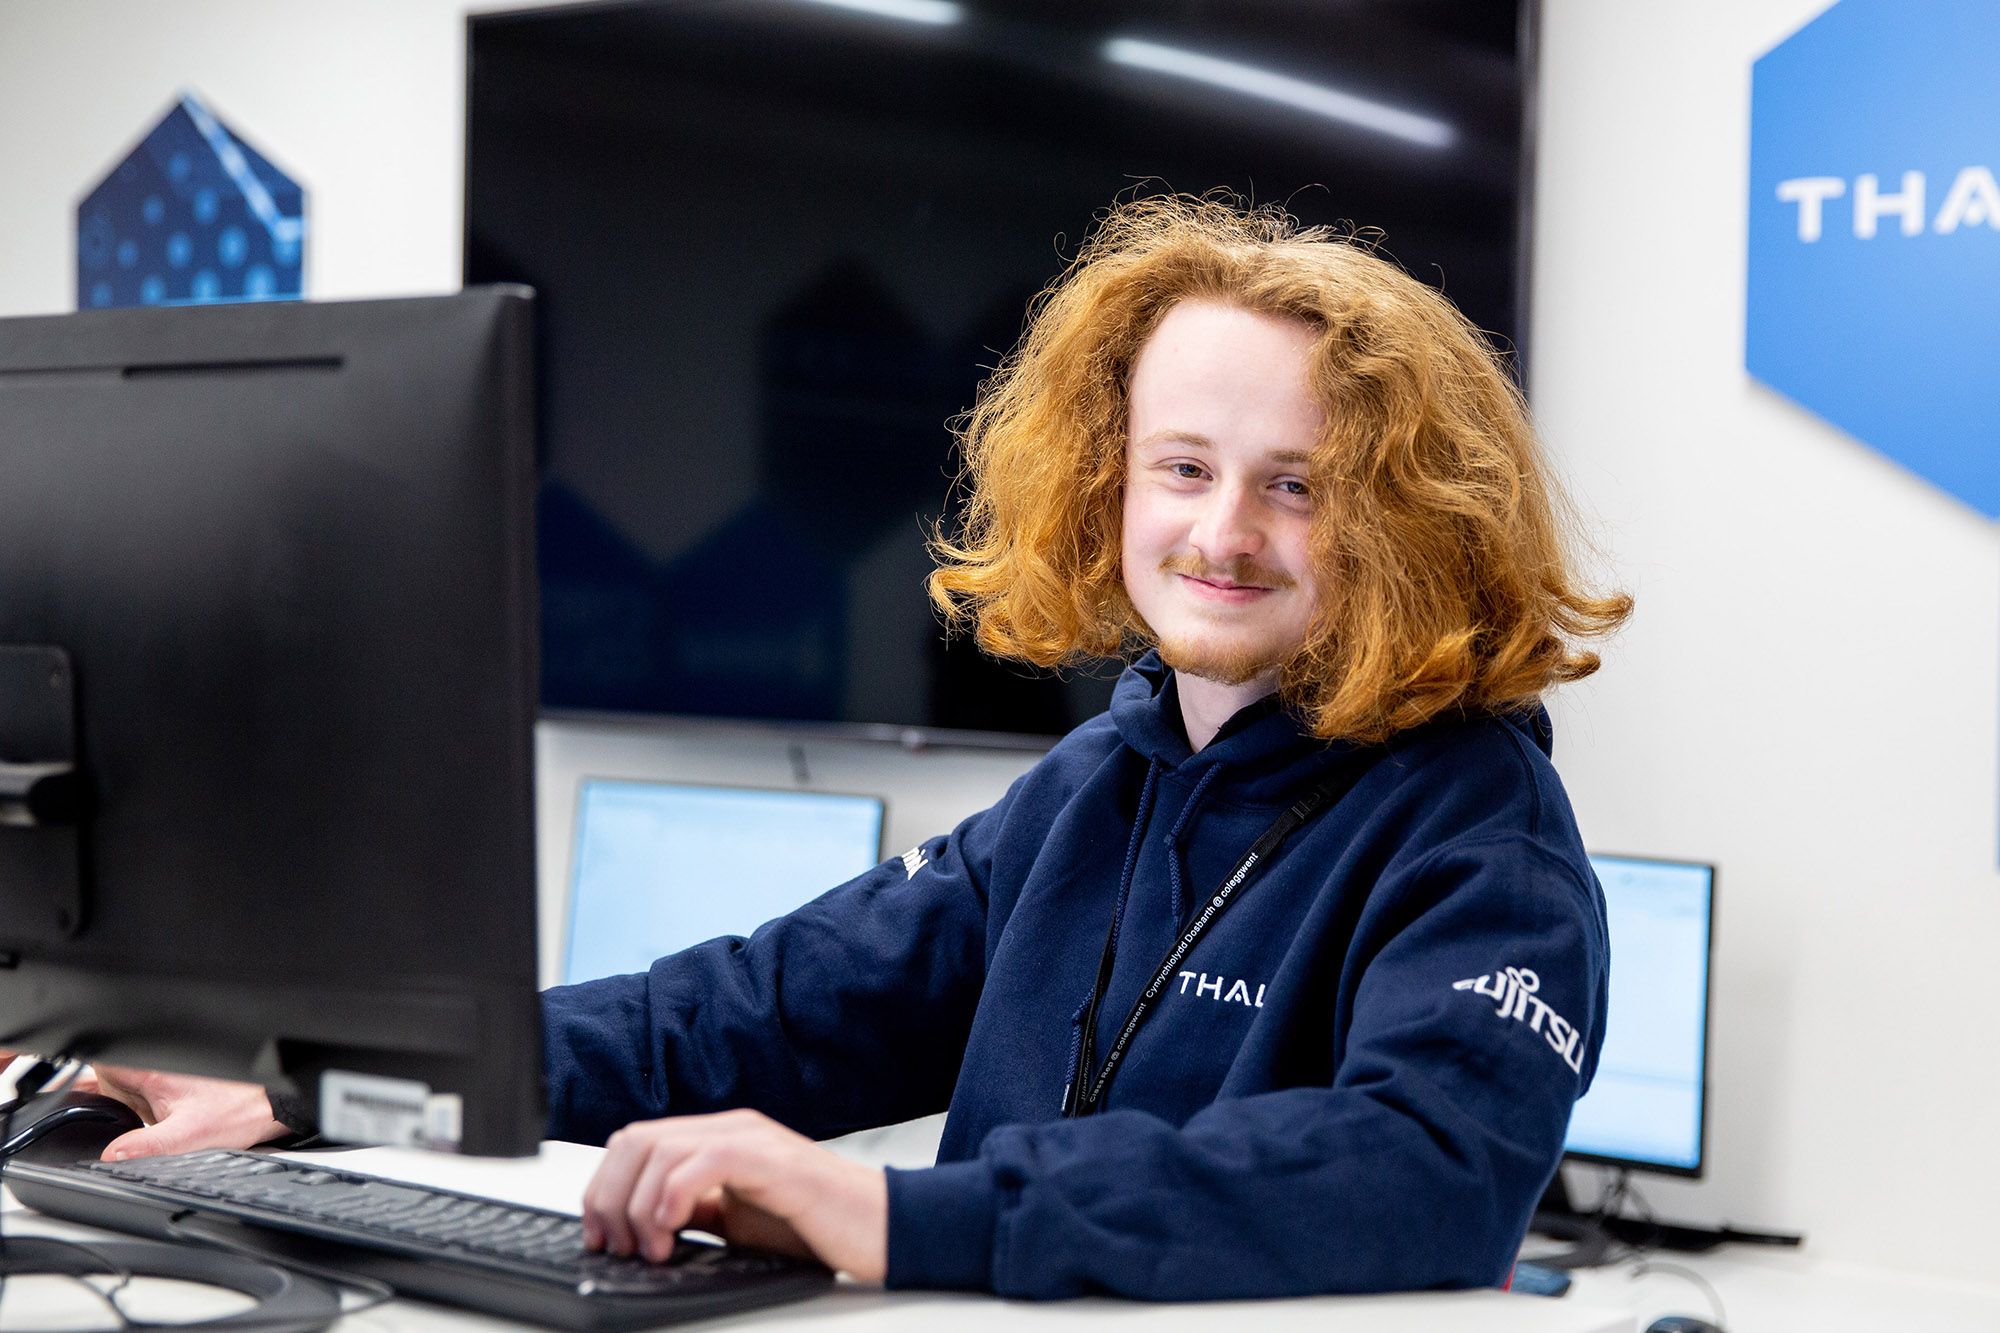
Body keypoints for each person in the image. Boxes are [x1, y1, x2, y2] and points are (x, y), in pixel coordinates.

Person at [4, 195, 1630, 1299]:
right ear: (1105, 483)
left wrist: (890, 1210)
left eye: (1296, 482)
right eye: (1181, 465)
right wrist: (316, 1079)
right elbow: (749, 1016)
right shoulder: (1094, 786)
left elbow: (1424, 1168)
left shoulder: (1480, 825)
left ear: (1406, 518)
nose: (1221, 527)